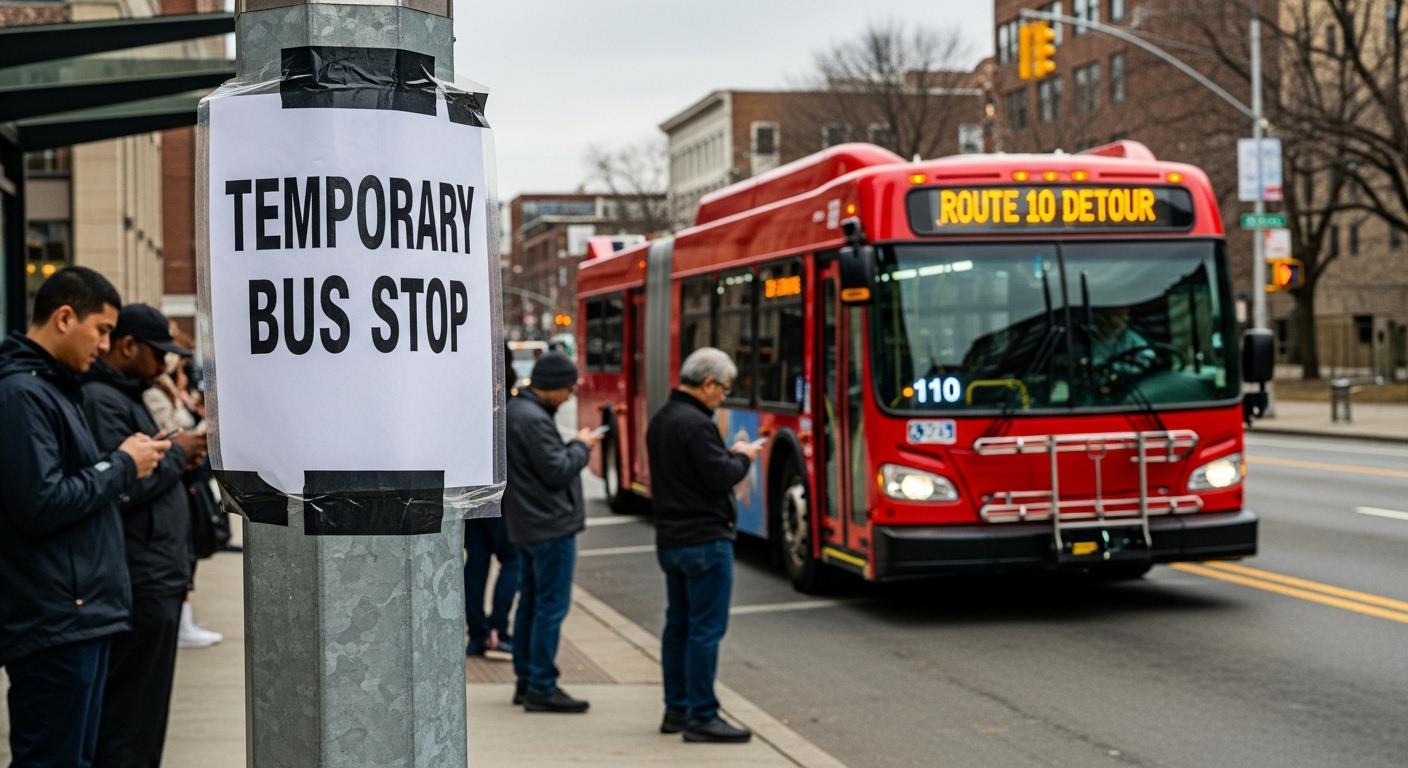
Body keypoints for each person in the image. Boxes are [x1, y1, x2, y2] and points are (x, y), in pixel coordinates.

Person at [0, 267, 169, 767]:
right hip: (57, 615)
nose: (105, 344)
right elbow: (42, 501)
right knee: (53, 758)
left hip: (78, 611)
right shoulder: (23, 394)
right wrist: (122, 464)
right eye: (101, 330)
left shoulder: (52, 387)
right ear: (64, 317)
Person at [81, 304, 207, 767]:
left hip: (155, 570)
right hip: (141, 575)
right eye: (158, 354)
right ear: (129, 346)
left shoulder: (125, 393)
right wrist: (178, 453)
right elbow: (125, 482)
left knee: (143, 718)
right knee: (130, 720)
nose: (164, 365)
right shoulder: (102, 399)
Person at [645, 347, 761, 743]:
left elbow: (690, 471)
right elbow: (719, 475)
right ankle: (702, 714)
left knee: (677, 625)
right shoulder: (696, 423)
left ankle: (675, 709)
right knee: (705, 630)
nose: (723, 397)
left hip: (671, 539)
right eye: (723, 389)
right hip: (705, 540)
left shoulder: (662, 418)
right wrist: (743, 457)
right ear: (707, 383)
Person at [502, 351, 601, 713]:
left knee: (530, 603)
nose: (571, 396)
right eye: (569, 388)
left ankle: (527, 680)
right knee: (549, 607)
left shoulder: (518, 413)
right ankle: (542, 684)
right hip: (549, 526)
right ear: (555, 387)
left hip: (527, 523)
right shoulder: (532, 419)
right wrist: (581, 446)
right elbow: (557, 470)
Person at [463, 513, 519, 656]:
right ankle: (497, 630)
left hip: (472, 499)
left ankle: (477, 635)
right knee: (512, 561)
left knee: (475, 566)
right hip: (502, 501)